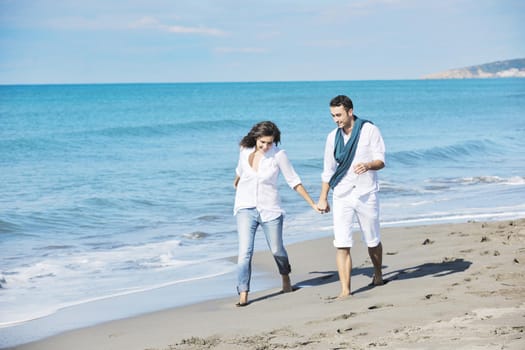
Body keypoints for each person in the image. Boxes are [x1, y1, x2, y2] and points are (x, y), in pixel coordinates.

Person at [233, 120, 320, 307]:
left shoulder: (279, 155)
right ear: (256, 137)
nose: (265, 146)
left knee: (276, 249)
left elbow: (293, 180)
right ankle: (243, 293)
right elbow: (240, 170)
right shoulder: (244, 151)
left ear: (275, 141)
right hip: (245, 208)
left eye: (269, 143)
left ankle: (285, 279)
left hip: (270, 210)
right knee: (244, 251)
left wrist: (312, 203)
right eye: (262, 142)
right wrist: (237, 181)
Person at [317, 95, 386, 299]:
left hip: (366, 193)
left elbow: (381, 160)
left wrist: (368, 165)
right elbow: (328, 171)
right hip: (342, 194)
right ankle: (345, 290)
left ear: (350, 111)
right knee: (342, 242)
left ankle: (378, 273)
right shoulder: (332, 138)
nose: (336, 119)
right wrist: (323, 197)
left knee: (372, 240)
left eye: (338, 115)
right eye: (332, 116)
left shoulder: (369, 130)